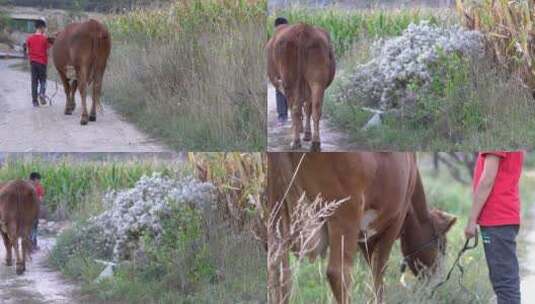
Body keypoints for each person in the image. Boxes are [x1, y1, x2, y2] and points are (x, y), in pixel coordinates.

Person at [465, 151, 524, 304]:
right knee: (504, 283)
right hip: (501, 218)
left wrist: (472, 220)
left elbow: (487, 179)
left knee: (505, 286)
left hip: (497, 219)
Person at [26, 19, 51, 107]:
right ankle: (41, 93)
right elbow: (48, 51)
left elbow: (27, 51)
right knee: (43, 81)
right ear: (41, 28)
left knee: (34, 82)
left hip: (33, 63)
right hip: (42, 63)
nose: (45, 29)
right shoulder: (45, 39)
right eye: (44, 28)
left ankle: (35, 102)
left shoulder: (29, 38)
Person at [274, 17, 288, 124]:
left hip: (279, 71)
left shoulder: (274, 39)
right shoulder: (292, 37)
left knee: (279, 89)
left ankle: (282, 116)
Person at [29, 172, 45, 250]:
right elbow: (41, 200)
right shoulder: (39, 187)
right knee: (34, 228)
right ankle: (33, 245)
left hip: (25, 213)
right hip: (34, 212)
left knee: (28, 229)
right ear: (35, 179)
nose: (39, 181)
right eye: (38, 180)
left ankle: (29, 245)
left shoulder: (25, 186)